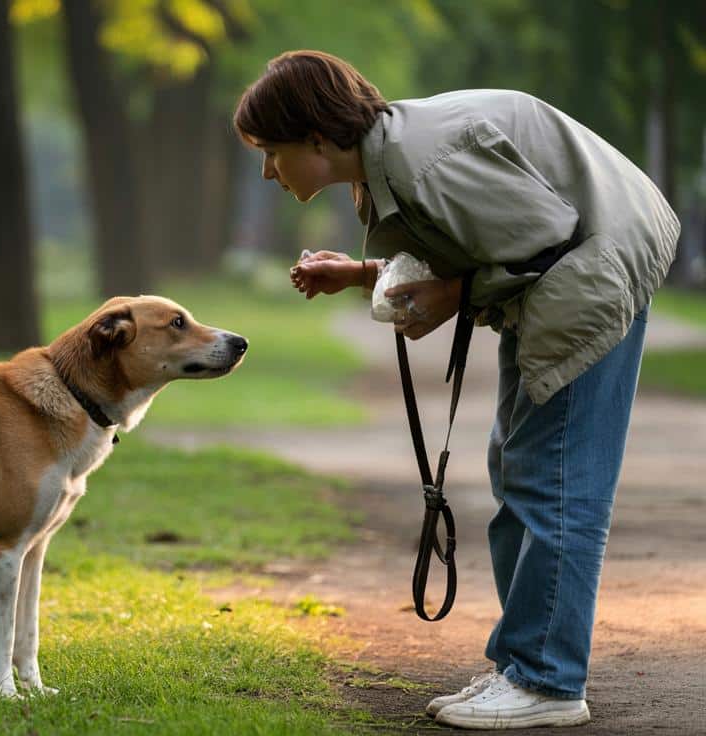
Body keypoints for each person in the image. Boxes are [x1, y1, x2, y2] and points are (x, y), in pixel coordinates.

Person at [233, 50, 679, 730]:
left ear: (318, 139)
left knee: (555, 482)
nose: (267, 170)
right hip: (567, 276)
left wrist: (451, 295)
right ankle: (523, 667)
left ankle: (548, 682)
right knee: (520, 470)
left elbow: (546, 243)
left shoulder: (423, 159)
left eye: (272, 151)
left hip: (592, 272)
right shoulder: (391, 159)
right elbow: (478, 236)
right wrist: (361, 275)